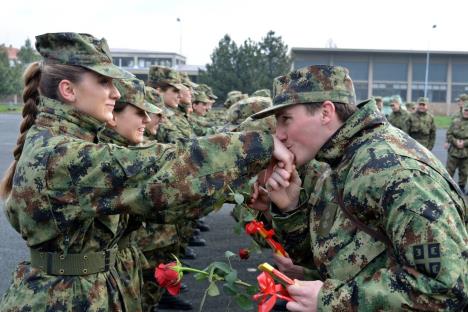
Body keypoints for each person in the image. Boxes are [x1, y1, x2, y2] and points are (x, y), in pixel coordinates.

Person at [0, 32, 293, 311]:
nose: (115, 93)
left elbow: (159, 204)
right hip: (63, 299)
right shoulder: (60, 155)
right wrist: (257, 145)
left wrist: (238, 187)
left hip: (82, 291)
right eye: (104, 82)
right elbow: (157, 170)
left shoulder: (70, 144)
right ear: (68, 90)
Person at [251, 65, 467, 311]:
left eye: (285, 119)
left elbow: (445, 290)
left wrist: (330, 300)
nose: (278, 135)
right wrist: (289, 208)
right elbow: (342, 257)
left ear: (325, 112)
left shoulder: (396, 171)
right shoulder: (339, 161)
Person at [446, 101, 468, 195]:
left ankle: (461, 188)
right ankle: (447, 188)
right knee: (449, 170)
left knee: (464, 172)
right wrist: (455, 142)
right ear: (462, 110)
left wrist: (465, 143)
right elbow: (449, 134)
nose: (467, 112)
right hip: (454, 151)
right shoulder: (455, 121)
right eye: (466, 110)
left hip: (466, 151)